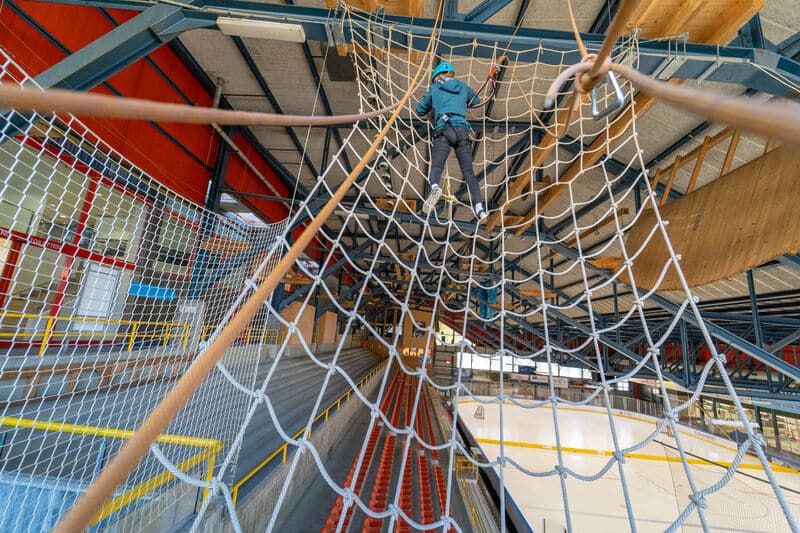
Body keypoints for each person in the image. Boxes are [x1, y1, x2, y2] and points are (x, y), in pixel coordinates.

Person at [415, 61, 487, 222]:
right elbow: (477, 100)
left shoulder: (435, 88)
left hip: (444, 129)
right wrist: (461, 101)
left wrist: (435, 102)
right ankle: (480, 209)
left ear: (437, 77)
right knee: (469, 173)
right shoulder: (462, 86)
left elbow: (419, 110)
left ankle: (434, 187)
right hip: (462, 131)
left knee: (437, 166)